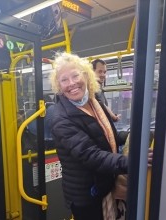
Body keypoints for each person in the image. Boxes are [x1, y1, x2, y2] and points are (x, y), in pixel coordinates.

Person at [50, 52, 130, 220]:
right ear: (59, 86)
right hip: (85, 195)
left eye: (75, 75)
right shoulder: (61, 119)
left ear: (86, 75)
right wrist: (131, 163)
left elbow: (110, 138)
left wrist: (133, 136)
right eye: (64, 80)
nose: (71, 83)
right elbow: (91, 155)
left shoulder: (95, 104)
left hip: (103, 185)